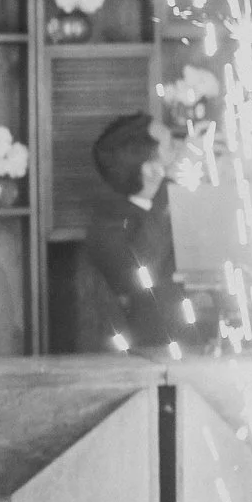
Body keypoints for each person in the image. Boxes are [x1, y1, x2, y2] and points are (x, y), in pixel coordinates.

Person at [75, 113, 187, 353]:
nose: (180, 147)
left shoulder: (175, 194)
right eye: (170, 145)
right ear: (151, 170)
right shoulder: (105, 230)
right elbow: (145, 282)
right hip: (146, 354)